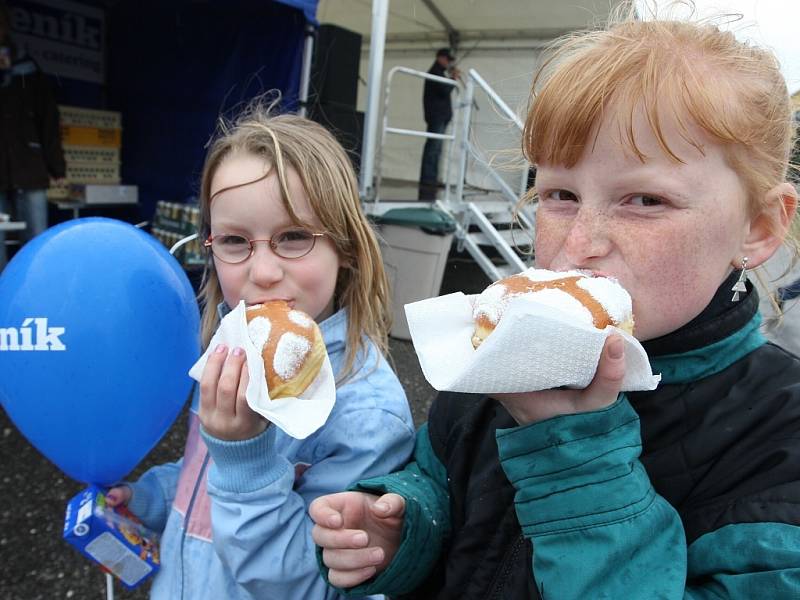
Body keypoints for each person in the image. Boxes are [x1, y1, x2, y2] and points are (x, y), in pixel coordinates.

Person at [310, 9, 800, 599]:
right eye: (560, 195)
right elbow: (440, 481)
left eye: (645, 199)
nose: (579, 245)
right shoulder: (499, 360)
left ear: (760, 226)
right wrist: (404, 528)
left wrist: (576, 457)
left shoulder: (779, 433)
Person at [105, 105, 416, 599]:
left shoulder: (365, 413)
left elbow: (315, 584)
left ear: (348, 247)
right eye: (234, 241)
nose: (264, 271)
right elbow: (203, 479)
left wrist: (246, 457)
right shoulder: (230, 351)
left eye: (293, 237)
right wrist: (153, 498)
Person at [0, 2, 65, 269]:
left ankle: (36, 297)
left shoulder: (27, 66)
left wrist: (56, 166)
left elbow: (48, 118)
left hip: (30, 165)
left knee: (37, 244)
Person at [418, 47, 460, 200]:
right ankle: (428, 180)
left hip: (440, 117)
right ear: (440, 58)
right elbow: (444, 90)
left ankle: (432, 179)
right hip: (436, 117)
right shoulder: (434, 72)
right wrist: (453, 78)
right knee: (433, 148)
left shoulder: (440, 73)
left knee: (436, 149)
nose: (449, 63)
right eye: (447, 59)